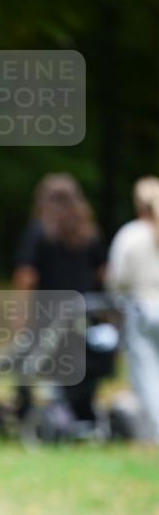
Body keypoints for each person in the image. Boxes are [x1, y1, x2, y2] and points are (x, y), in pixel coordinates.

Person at [12, 173, 108, 422]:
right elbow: (104, 272)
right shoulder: (89, 234)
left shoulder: (38, 232)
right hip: (84, 314)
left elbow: (26, 275)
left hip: (48, 314)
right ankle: (78, 408)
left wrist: (20, 313)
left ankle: (32, 408)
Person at [105, 176, 159, 443]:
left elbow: (117, 279)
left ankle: (154, 433)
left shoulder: (131, 234)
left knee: (146, 374)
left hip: (143, 310)